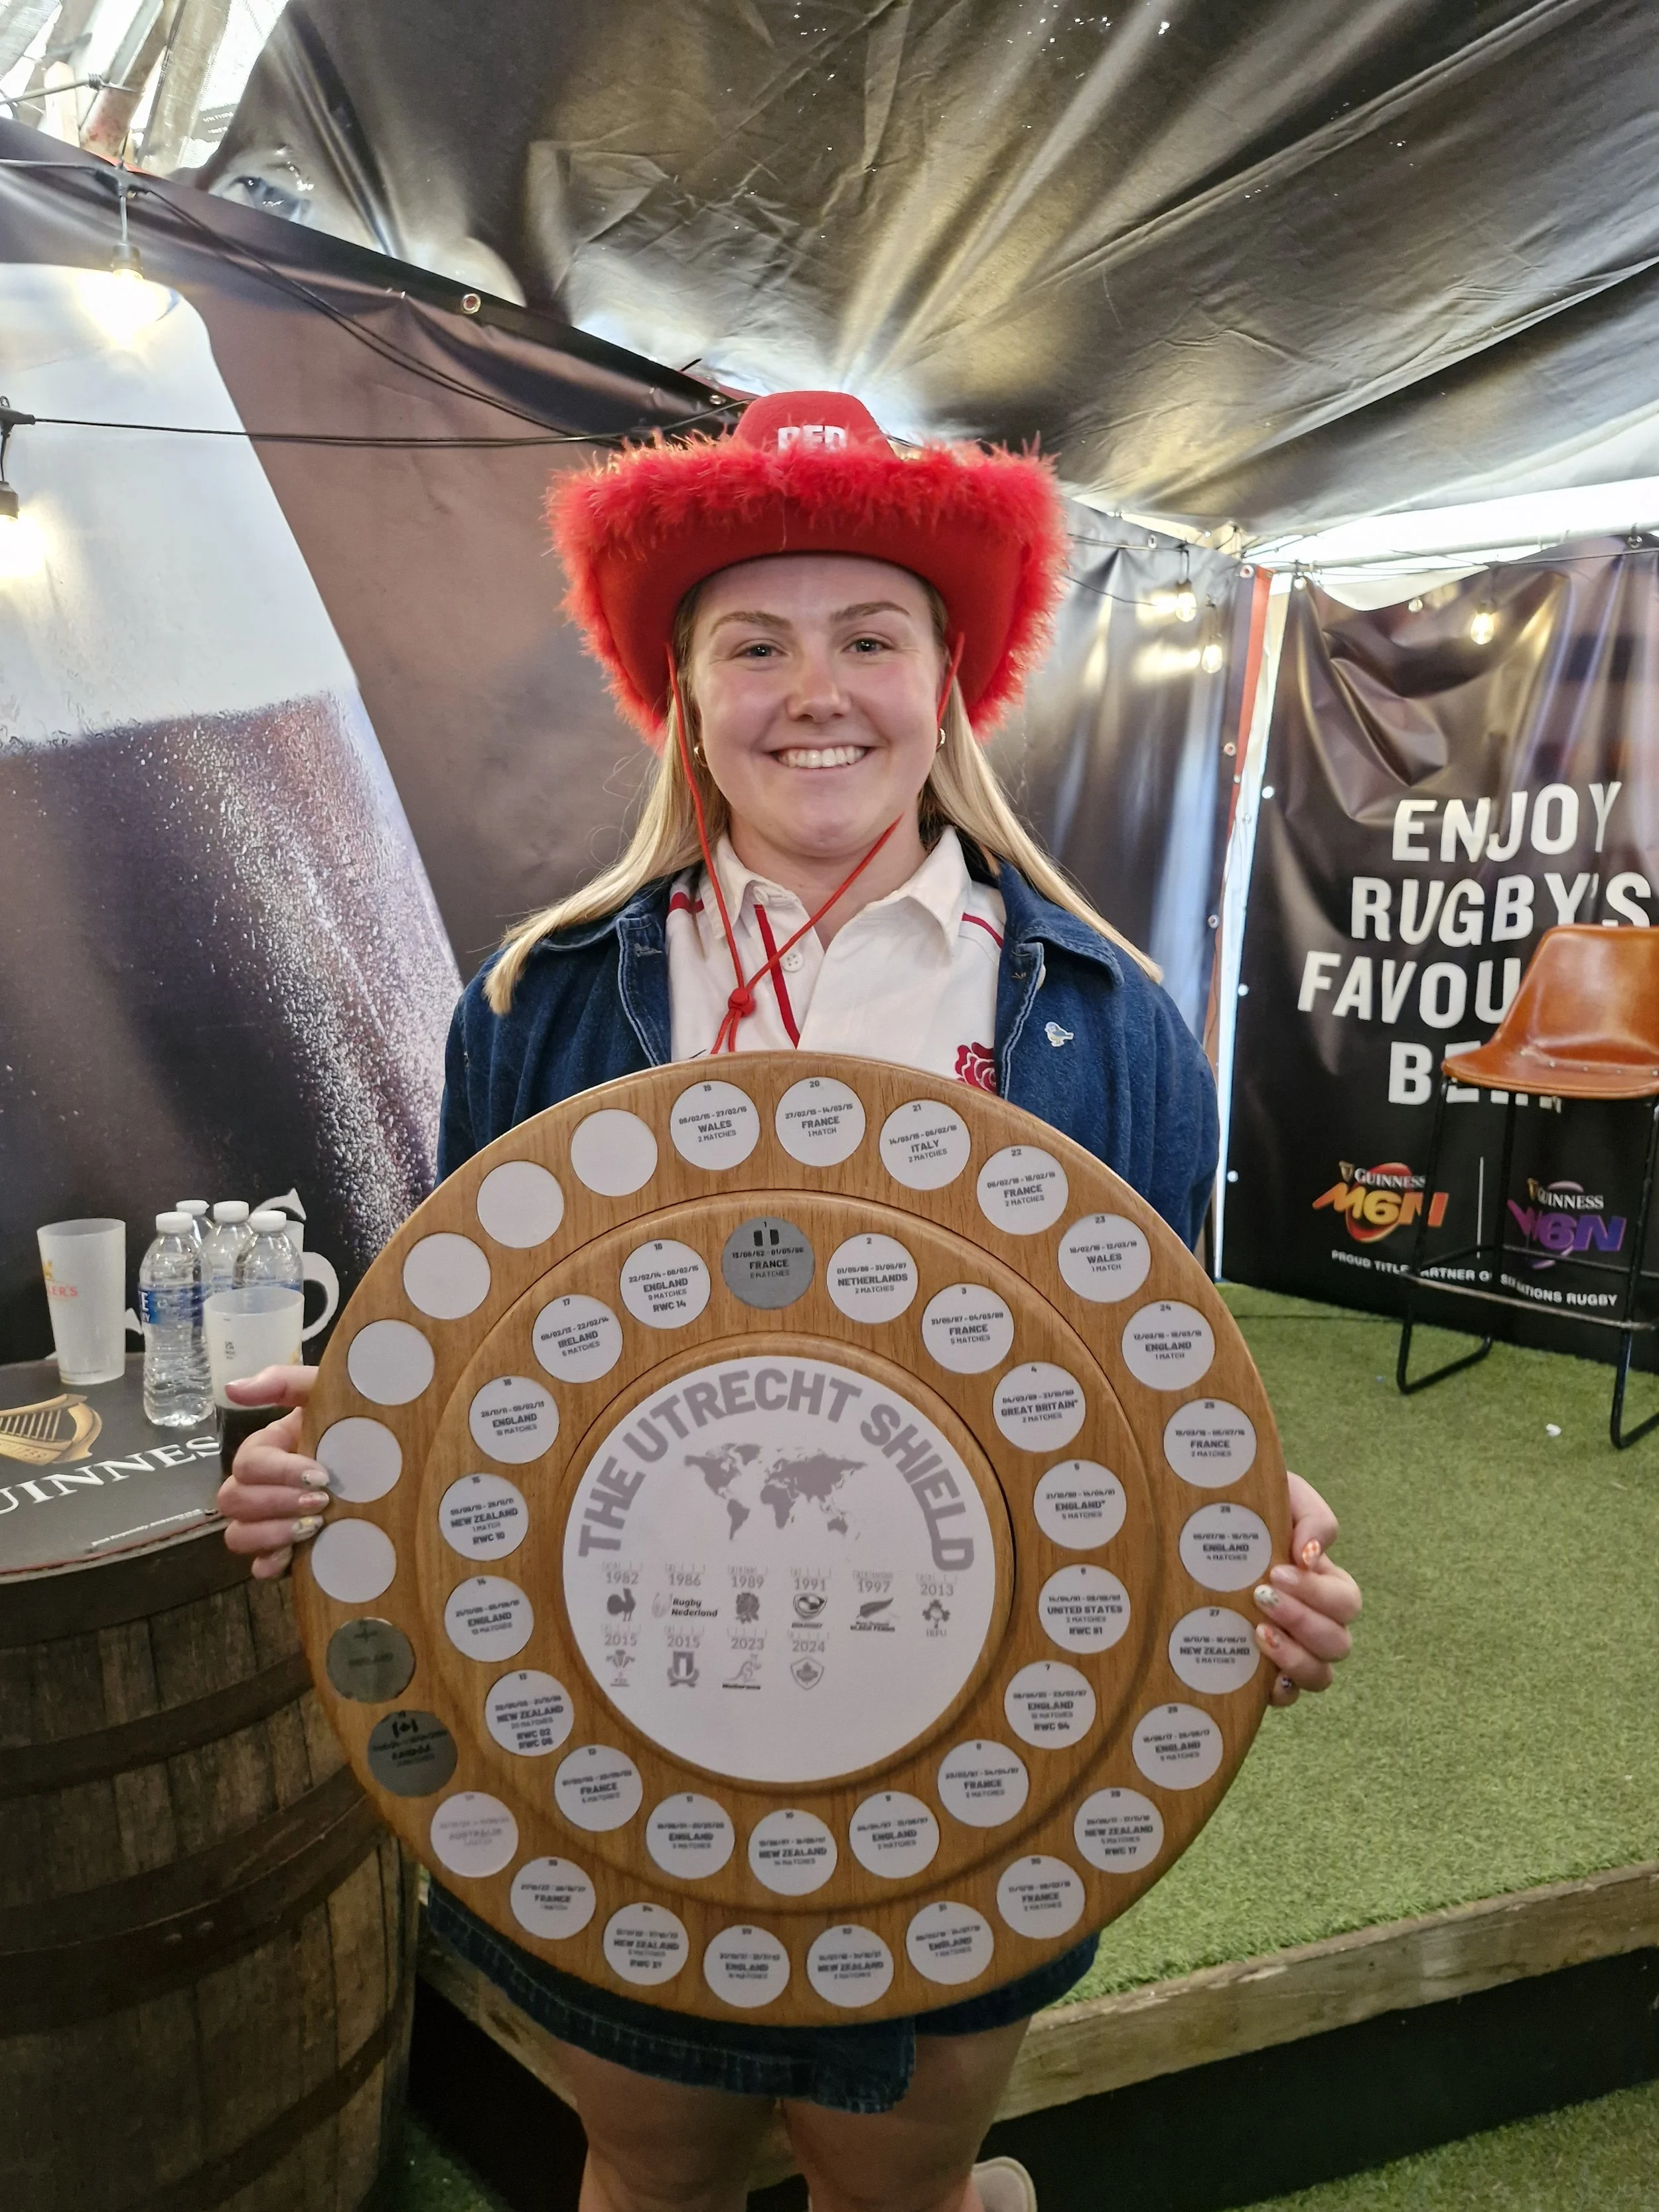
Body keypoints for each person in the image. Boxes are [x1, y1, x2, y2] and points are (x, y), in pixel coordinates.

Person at [218, 391, 1362, 2212]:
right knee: (647, 2173)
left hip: (970, 1758)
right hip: (626, 1737)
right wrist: (335, 1467)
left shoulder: (1108, 1020)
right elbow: (461, 1388)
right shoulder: (537, 1003)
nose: (814, 690)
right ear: (681, 690)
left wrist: (1249, 1545)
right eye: (754, 643)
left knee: (896, 2186)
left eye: (869, 637)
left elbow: (1170, 1397)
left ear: (949, 678)